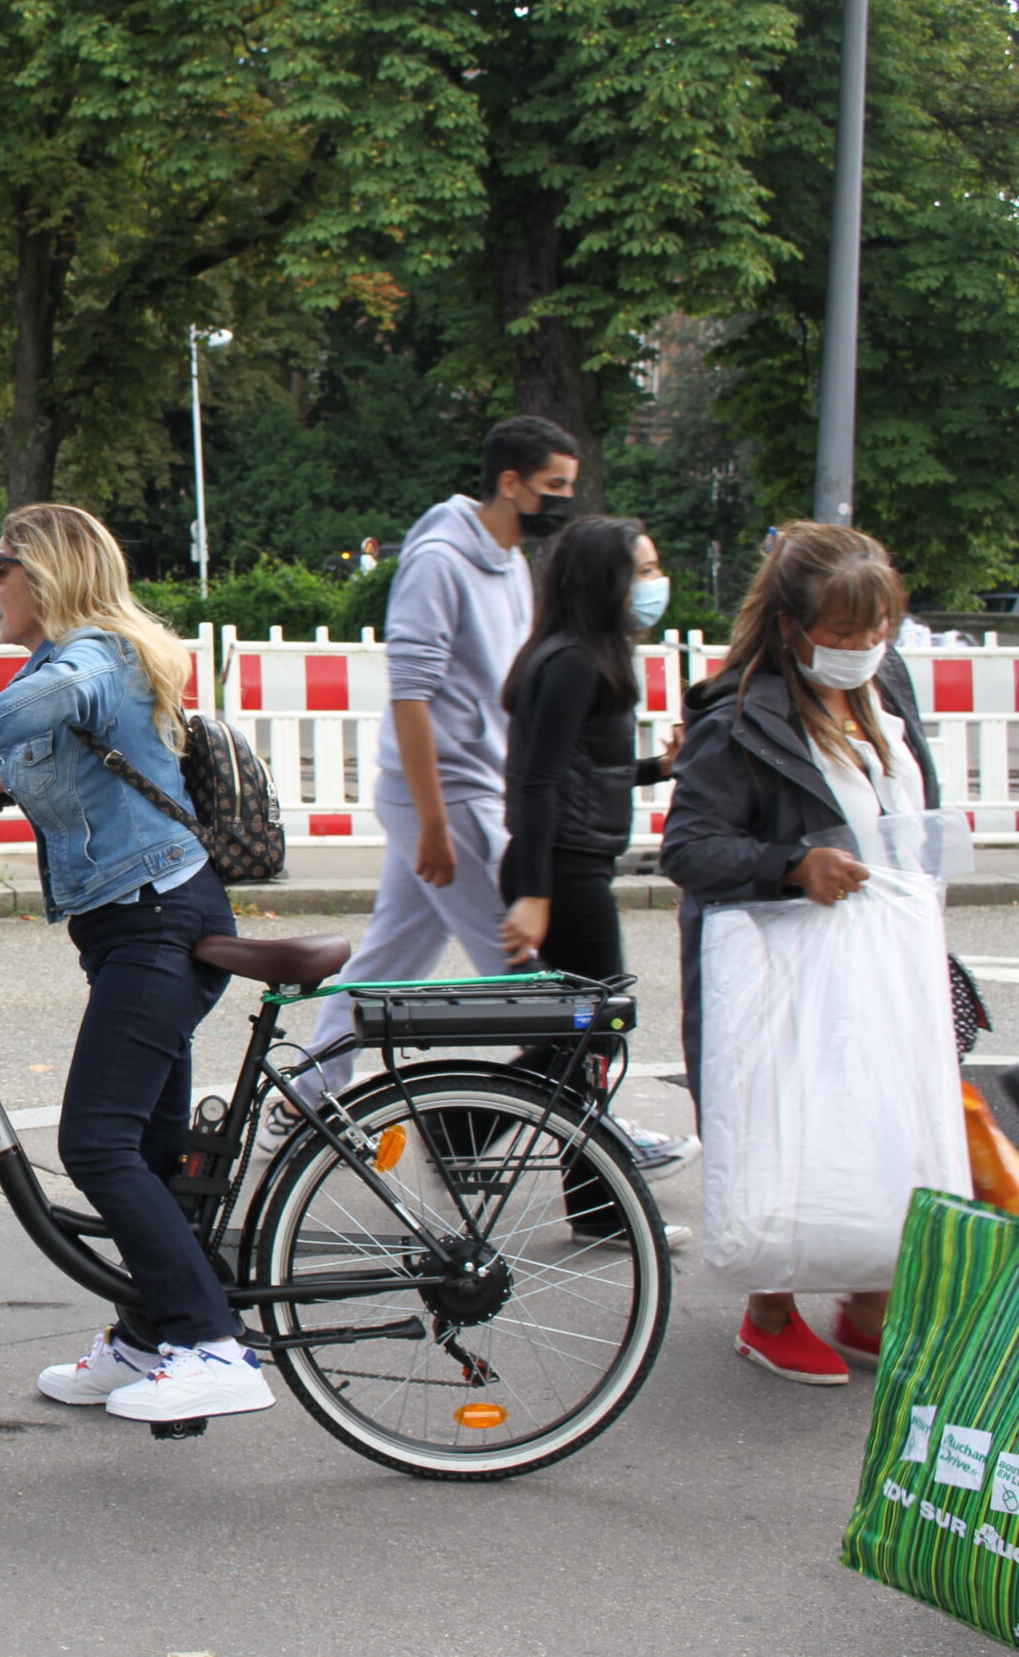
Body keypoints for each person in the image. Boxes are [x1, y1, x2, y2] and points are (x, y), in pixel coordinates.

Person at [0, 503, 272, 1428]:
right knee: (145, 1150)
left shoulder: (95, 653)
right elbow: (67, 751)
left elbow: (59, 699)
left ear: (46, 573)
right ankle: (148, 1335)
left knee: (93, 1141)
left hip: (157, 922)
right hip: (130, 925)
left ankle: (213, 1344)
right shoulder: (62, 667)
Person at [278, 419, 699, 1178]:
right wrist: (432, 823)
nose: (565, 503)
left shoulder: (508, 561)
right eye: (555, 488)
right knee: (551, 991)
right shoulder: (442, 561)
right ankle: (579, 1141)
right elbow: (411, 693)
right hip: (448, 796)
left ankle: (306, 1097)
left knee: (390, 961)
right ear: (511, 482)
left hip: (472, 789)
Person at [660, 522, 938, 1384]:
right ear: (789, 626)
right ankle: (770, 1310)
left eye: (877, 630)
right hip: (786, 966)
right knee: (792, 1128)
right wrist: (791, 865)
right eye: (844, 632)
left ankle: (868, 1300)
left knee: (880, 1122)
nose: (863, 649)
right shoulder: (740, 719)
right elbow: (689, 850)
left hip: (884, 958)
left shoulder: (884, 687)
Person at [495, 516, 690, 1246]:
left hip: (571, 862)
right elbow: (538, 781)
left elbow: (586, 769)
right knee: (592, 1030)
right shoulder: (573, 660)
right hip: (564, 870)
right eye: (642, 570)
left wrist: (659, 769)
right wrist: (538, 893)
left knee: (581, 1034)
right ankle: (466, 1122)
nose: (653, 584)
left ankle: (591, 1202)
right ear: (605, 580)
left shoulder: (582, 657)